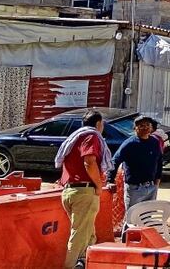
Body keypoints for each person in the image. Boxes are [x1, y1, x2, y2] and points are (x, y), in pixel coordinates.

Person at [54, 109, 114, 269]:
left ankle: (84, 264)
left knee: (88, 235)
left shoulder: (73, 139)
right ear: (99, 123)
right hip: (84, 192)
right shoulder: (91, 136)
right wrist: (99, 185)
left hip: (70, 191)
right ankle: (70, 265)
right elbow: (89, 161)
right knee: (80, 236)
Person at [108, 114, 164, 212]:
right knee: (132, 216)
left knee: (147, 216)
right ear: (135, 128)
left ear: (151, 128)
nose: (145, 128)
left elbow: (159, 161)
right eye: (141, 126)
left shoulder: (154, 142)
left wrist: (157, 180)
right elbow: (115, 161)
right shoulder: (129, 144)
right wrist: (110, 180)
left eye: (147, 125)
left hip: (151, 186)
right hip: (134, 189)